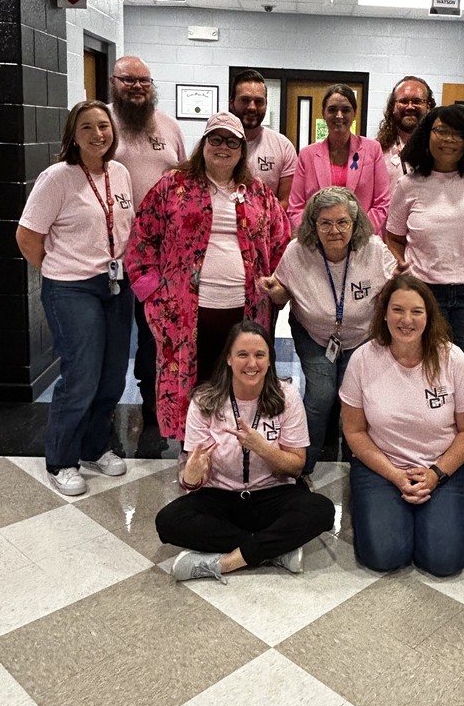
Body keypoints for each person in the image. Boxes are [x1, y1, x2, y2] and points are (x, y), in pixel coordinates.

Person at [124, 112, 290, 443]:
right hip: (183, 312)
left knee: (238, 382)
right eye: (216, 139)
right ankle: (192, 451)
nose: (223, 147)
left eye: (232, 141)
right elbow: (142, 238)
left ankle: (233, 450)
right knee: (191, 383)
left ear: (242, 150)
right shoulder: (173, 186)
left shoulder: (258, 193)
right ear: (204, 143)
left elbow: (281, 243)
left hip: (246, 311)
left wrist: (280, 286)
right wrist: (153, 294)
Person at [386, 104, 464, 492]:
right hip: (425, 297)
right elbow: (393, 236)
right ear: (427, 134)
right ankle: (425, 453)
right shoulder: (410, 183)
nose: (448, 139)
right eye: (440, 130)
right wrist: (403, 268)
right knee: (426, 375)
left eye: (457, 133)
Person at [155, 321, 336, 583]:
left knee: (322, 510)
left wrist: (260, 447)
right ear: (228, 358)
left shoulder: (287, 396)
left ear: (270, 360)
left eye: (260, 355)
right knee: (168, 521)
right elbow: (193, 478)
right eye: (243, 354)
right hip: (220, 495)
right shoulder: (204, 400)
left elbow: (296, 467)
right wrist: (191, 477)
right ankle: (273, 550)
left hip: (273, 493)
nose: (252, 363)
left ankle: (227, 562)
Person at [16, 100, 134, 496]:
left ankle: (94, 446)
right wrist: (59, 270)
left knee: (112, 375)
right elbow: (27, 237)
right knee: (81, 375)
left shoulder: (119, 173)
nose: (98, 134)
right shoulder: (57, 178)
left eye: (104, 126)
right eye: (87, 127)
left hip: (115, 285)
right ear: (73, 135)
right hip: (72, 287)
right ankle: (61, 460)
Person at [340, 275, 464, 576]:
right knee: (384, 555)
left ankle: (426, 513)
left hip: (443, 466)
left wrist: (435, 474)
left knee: (444, 561)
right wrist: (395, 475)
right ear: (384, 314)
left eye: (416, 311)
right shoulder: (363, 360)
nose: (406, 320)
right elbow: (354, 431)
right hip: (382, 466)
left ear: (429, 316)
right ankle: (377, 506)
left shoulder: (452, 358)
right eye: (397, 310)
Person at [258, 186, 397, 477]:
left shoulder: (374, 249)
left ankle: (361, 466)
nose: (335, 230)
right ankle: (301, 467)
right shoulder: (298, 251)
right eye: (326, 223)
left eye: (342, 222)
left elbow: (392, 290)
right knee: (321, 395)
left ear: (355, 223)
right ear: (313, 224)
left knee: (356, 398)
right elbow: (283, 293)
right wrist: (275, 291)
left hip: (362, 337)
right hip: (314, 334)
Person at [108, 54, 186, 432]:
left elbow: (186, 179)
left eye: (144, 80)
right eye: (129, 80)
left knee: (156, 332)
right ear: (114, 82)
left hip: (161, 256)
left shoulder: (169, 127)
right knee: (112, 335)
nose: (137, 86)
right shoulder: (103, 124)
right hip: (112, 254)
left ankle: (153, 401)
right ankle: (103, 405)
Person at [287, 84, 389, 236]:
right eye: (332, 109)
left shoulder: (372, 149)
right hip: (317, 241)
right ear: (323, 113)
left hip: (363, 240)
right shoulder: (306, 155)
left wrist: (357, 235)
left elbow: (382, 202)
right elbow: (296, 207)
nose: (339, 115)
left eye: (346, 110)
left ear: (354, 113)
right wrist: (319, 236)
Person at [228, 68, 298, 210]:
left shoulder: (283, 146)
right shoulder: (214, 145)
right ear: (231, 102)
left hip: (268, 223)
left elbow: (286, 201)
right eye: (245, 100)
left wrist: (258, 220)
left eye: (259, 101)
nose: (252, 107)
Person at [376, 75, 435, 191]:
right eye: (403, 101)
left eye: (417, 101)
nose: (410, 107)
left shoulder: (439, 150)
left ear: (428, 107)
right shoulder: (376, 149)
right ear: (393, 107)